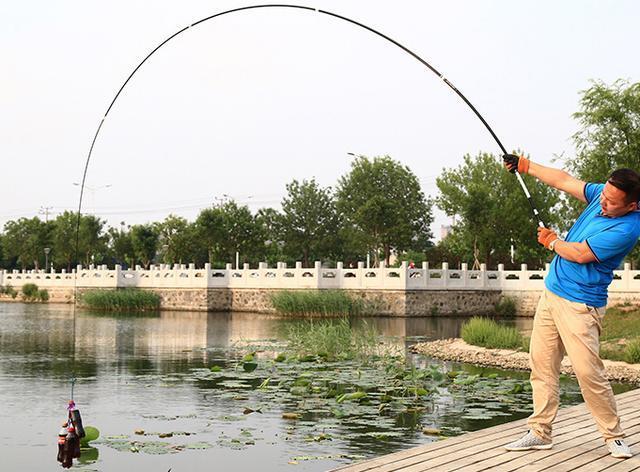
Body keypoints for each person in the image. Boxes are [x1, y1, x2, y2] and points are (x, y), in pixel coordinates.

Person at [502, 154, 640, 459]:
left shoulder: (628, 228)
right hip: (552, 294)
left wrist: (552, 241)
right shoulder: (602, 197)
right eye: (603, 194)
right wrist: (526, 166)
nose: (603, 202)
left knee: (588, 372)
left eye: (611, 201)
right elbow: (564, 180)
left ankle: (613, 436)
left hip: (581, 305)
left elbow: (578, 254)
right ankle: (540, 432)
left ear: (632, 205)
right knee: (542, 365)